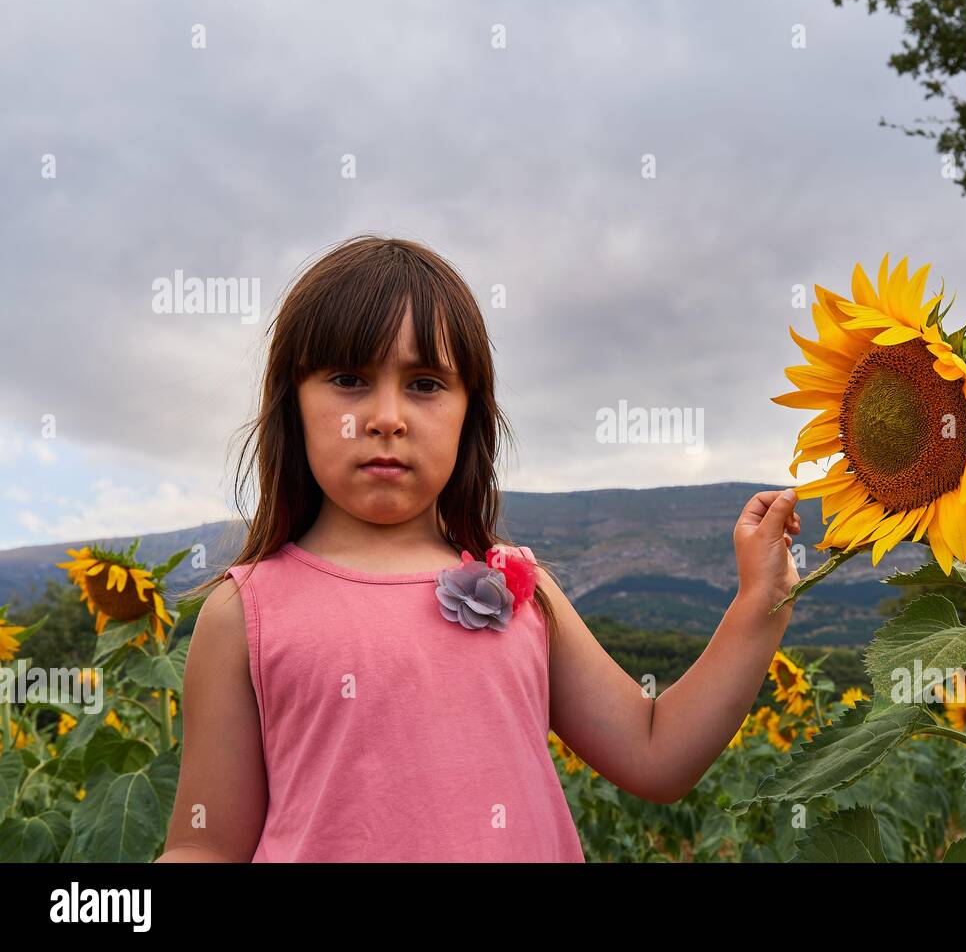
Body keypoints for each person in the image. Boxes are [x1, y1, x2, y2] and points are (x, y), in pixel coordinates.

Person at [156, 235, 801, 862]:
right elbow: (204, 844)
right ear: (291, 406)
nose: (387, 416)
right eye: (349, 378)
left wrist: (759, 601)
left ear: (471, 414)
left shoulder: (521, 589)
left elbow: (656, 754)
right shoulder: (244, 614)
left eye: (426, 383)